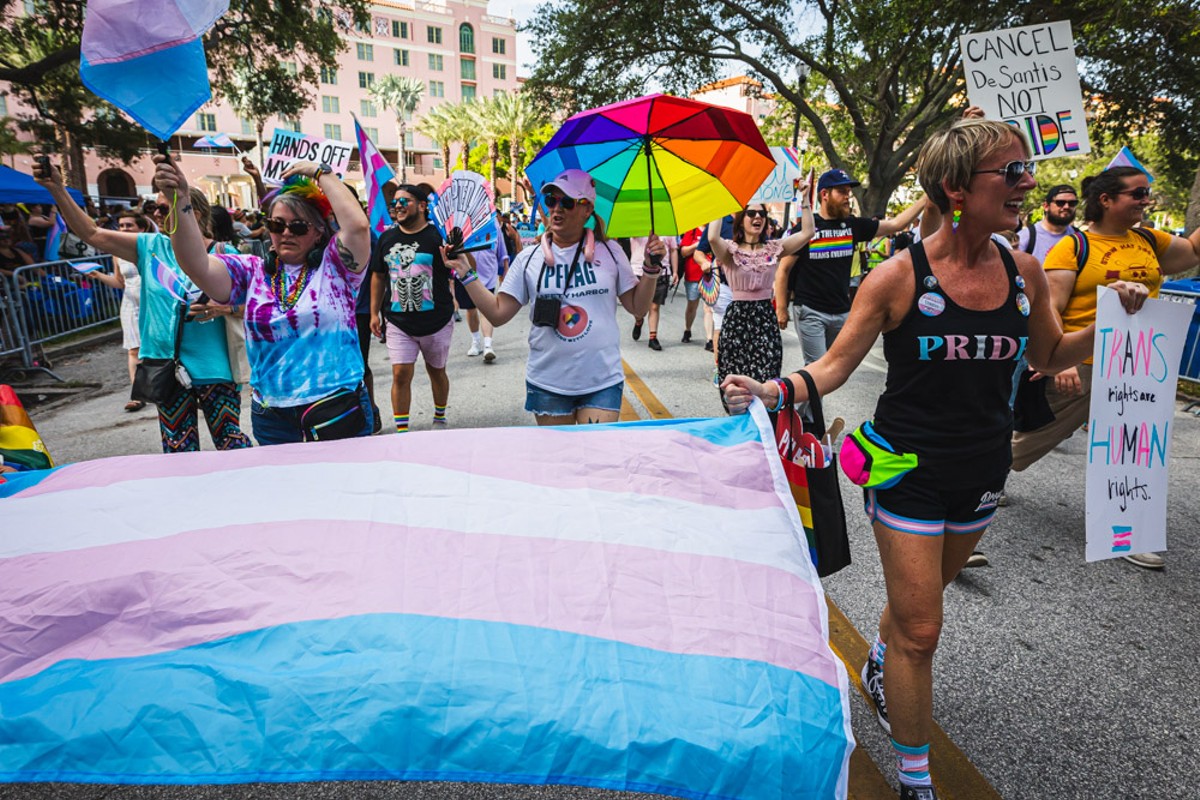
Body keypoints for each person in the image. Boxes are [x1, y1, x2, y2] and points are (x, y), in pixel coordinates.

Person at [720, 119, 1149, 800]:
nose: (1027, 184)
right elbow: (830, 368)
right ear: (955, 187)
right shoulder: (896, 277)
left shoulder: (1023, 270)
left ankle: (884, 661)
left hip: (982, 471)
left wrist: (1111, 322)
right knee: (923, 629)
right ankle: (915, 778)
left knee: (917, 608)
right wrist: (772, 389)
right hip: (902, 469)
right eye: (1009, 174)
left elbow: (1047, 357)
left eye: (1025, 170)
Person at [1011, 166, 1200, 570]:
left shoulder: (1150, 239)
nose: (1146, 200)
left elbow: (1194, 253)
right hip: (1087, 363)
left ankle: (1128, 531)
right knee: (1024, 446)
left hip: (1142, 368)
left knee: (1135, 452)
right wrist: (1060, 360)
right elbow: (1051, 309)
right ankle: (973, 482)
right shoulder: (1074, 246)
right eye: (1137, 193)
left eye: (1146, 193)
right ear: (1106, 200)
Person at [151, 155, 373, 446]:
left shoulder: (337, 268)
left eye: (298, 227)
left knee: (345, 490)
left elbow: (357, 227)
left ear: (319, 232)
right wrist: (180, 198)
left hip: (334, 408)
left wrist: (321, 173)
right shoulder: (250, 270)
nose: (285, 233)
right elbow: (197, 265)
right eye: (276, 225)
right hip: (272, 415)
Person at [37, 160, 253, 454]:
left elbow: (253, 308)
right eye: (155, 207)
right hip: (166, 366)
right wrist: (57, 189)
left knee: (232, 445)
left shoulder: (223, 253)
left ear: (194, 211)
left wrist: (223, 309)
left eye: (165, 207)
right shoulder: (149, 246)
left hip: (215, 367)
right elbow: (92, 234)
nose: (156, 214)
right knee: (179, 451)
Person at [447, 168, 661, 425]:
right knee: (562, 463)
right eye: (551, 200)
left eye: (567, 202)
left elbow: (638, 308)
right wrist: (465, 272)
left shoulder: (611, 252)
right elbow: (497, 313)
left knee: (595, 459)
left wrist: (650, 269)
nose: (556, 209)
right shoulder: (529, 259)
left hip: (601, 381)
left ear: (587, 209)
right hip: (548, 384)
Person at [776, 169, 928, 364]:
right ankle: (809, 395)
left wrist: (925, 199)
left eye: (848, 192)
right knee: (815, 368)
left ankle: (811, 394)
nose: (848, 197)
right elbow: (784, 269)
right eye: (842, 192)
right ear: (825, 195)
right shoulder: (807, 228)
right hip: (810, 310)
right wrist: (781, 307)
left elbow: (896, 224)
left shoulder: (852, 226)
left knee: (830, 369)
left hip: (841, 311)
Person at [707, 196, 814, 394]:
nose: (758, 217)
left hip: (765, 318)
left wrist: (805, 199)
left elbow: (808, 232)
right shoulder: (731, 251)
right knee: (735, 378)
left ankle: (764, 421)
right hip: (737, 319)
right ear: (741, 220)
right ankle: (739, 420)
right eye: (751, 213)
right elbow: (712, 237)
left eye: (762, 214)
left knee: (767, 376)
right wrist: (721, 199)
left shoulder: (773, 249)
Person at [370, 185, 453, 433]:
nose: (398, 206)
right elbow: (378, 275)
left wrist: (455, 252)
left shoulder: (438, 236)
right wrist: (375, 312)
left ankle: (439, 416)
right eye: (395, 202)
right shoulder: (387, 239)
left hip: (437, 320)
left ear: (422, 206)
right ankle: (402, 431)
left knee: (436, 372)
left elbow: (462, 265)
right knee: (401, 374)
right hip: (398, 322)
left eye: (404, 201)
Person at [87, 212, 152, 411]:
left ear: (142, 228)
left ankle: (169, 387)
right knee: (134, 349)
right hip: (130, 303)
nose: (123, 229)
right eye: (121, 226)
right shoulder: (117, 253)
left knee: (161, 347)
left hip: (152, 302)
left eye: (129, 225)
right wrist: (98, 275)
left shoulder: (150, 247)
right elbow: (119, 282)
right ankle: (137, 394)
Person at [629, 235, 677, 351]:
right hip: (639, 270)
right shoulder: (637, 225)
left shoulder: (668, 228)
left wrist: (675, 271)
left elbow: (673, 250)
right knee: (639, 308)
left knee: (654, 306)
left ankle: (653, 338)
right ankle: (639, 320)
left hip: (662, 271)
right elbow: (633, 238)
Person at [1016, 184, 1079, 262]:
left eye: (1072, 203)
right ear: (1046, 206)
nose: (1066, 207)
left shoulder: (1079, 238)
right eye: (1060, 202)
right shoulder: (1026, 237)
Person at [678, 226, 706, 343]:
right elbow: (683, 252)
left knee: (710, 308)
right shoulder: (692, 230)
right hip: (693, 274)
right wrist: (698, 244)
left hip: (711, 275)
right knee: (692, 306)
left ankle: (710, 339)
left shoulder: (715, 229)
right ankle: (687, 329)